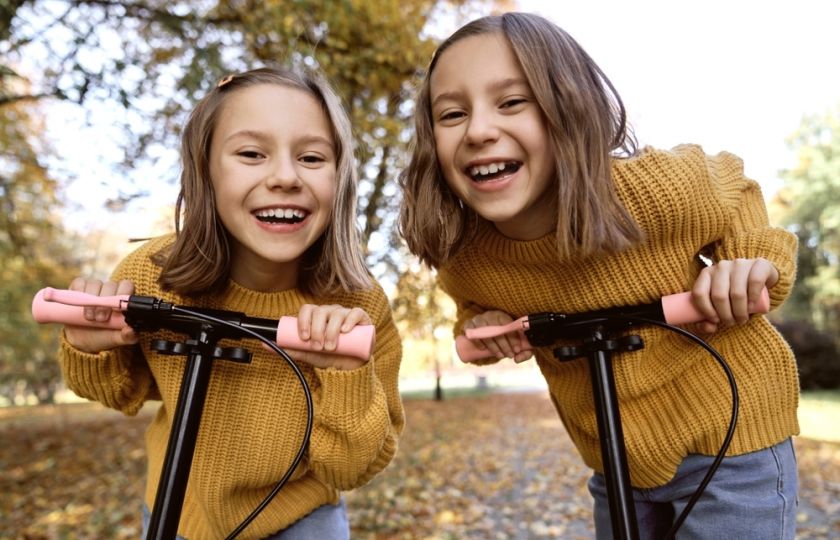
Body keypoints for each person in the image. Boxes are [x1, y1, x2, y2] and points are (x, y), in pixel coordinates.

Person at [398, 12, 799, 540]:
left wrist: (750, 261)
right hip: (616, 461)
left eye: (512, 102)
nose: (478, 130)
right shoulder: (468, 256)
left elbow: (737, 191)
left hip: (733, 442)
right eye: (451, 115)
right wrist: (483, 326)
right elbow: (473, 307)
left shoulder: (654, 193)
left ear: (569, 108)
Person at [60, 67, 403, 539]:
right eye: (250, 154)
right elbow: (120, 391)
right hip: (177, 512)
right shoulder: (152, 277)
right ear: (205, 171)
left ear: (339, 177)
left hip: (301, 518)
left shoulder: (359, 306)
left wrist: (346, 377)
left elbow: (351, 468)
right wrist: (89, 344)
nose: (285, 176)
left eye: (311, 157)